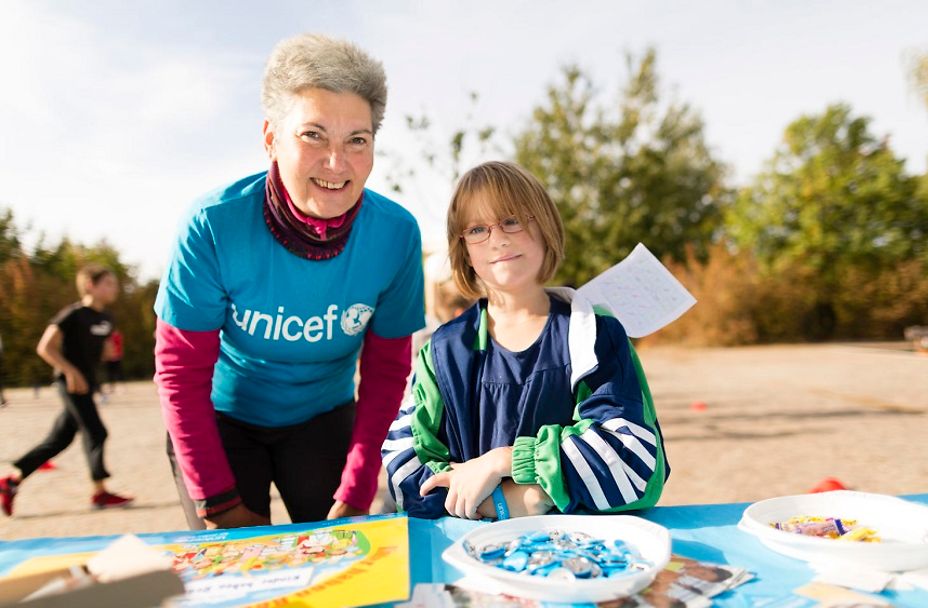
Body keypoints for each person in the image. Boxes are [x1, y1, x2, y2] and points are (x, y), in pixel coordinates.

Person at [154, 34, 424, 530]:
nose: (336, 163)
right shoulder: (213, 224)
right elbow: (180, 371)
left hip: (322, 419)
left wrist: (360, 485)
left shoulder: (396, 235)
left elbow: (387, 374)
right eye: (313, 135)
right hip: (220, 420)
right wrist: (216, 500)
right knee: (235, 576)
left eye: (357, 140)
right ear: (271, 137)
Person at [383, 161, 669, 519]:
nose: (498, 239)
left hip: (582, 550)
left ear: (544, 225)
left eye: (512, 220)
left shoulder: (592, 333)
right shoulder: (442, 352)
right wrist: (517, 501)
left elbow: (632, 461)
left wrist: (505, 461)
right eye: (476, 229)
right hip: (468, 547)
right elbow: (405, 469)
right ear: (464, 250)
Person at [0, 265, 133, 516]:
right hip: (70, 384)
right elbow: (45, 347)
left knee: (58, 440)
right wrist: (71, 372)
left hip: (88, 384)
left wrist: (107, 353)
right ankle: (100, 492)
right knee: (97, 432)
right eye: (107, 283)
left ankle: (11, 481)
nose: (113, 288)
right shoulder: (72, 315)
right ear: (89, 285)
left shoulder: (107, 317)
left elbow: (102, 349)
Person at [102, 329, 124, 395]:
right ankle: (111, 386)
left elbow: (119, 345)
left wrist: (116, 354)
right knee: (110, 373)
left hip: (116, 357)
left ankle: (117, 386)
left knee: (116, 372)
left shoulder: (117, 335)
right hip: (109, 357)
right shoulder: (108, 336)